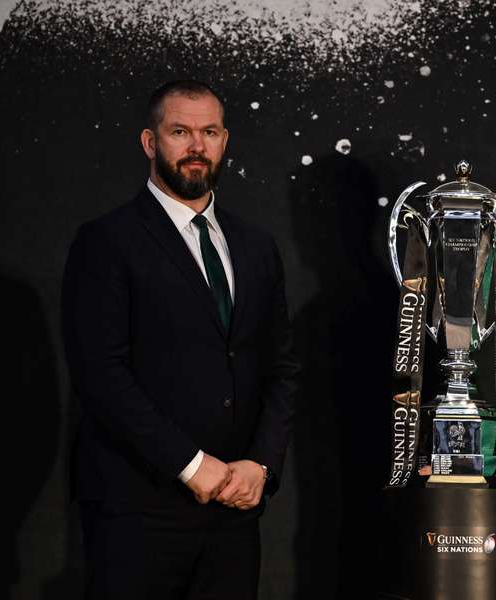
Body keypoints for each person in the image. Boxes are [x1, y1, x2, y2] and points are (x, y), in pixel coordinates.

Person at [62, 79, 299, 599]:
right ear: (151, 143)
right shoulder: (106, 242)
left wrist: (261, 465)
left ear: (224, 139)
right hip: (137, 511)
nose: (197, 146)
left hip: (234, 510)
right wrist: (192, 466)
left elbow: (280, 369)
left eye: (209, 131)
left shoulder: (257, 247)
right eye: (180, 132)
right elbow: (100, 377)